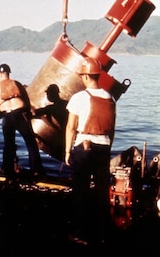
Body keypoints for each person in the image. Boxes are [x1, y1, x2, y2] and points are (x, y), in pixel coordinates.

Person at [65, 57, 116, 246]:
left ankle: (80, 234)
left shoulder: (79, 97)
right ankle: (103, 234)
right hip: (103, 148)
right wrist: (106, 148)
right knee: (102, 194)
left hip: (84, 148)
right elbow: (112, 129)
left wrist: (67, 151)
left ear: (85, 76)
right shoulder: (110, 97)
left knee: (81, 193)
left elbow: (71, 127)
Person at [33, 84, 68, 160]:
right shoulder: (66, 103)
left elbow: (35, 113)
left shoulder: (51, 108)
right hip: (67, 136)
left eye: (48, 94)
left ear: (53, 94)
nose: (47, 96)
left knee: (59, 157)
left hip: (61, 138)